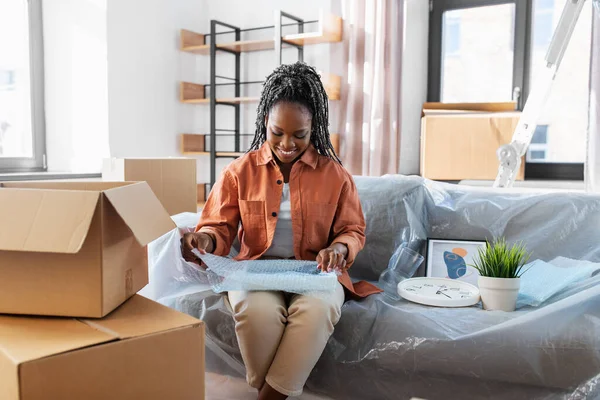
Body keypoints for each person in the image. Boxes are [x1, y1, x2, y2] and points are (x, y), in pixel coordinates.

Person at [182, 62, 381, 400]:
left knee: (318, 312)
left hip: (315, 275)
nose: (287, 143)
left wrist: (340, 250)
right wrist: (205, 239)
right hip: (257, 273)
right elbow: (218, 227)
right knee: (255, 315)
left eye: (299, 135)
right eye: (277, 132)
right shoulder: (238, 172)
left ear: (314, 127)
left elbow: (352, 230)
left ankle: (268, 396)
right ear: (265, 123)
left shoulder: (336, 176)